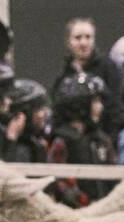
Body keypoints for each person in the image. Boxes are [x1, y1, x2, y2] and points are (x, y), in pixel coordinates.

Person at [48, 73, 115, 207]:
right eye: (95, 101)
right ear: (79, 105)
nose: (100, 107)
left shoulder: (102, 139)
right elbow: (58, 180)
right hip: (75, 214)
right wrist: (82, 201)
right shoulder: (63, 141)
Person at [53, 17, 124, 135]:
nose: (83, 43)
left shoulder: (107, 67)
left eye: (88, 37)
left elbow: (117, 105)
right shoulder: (63, 76)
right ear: (68, 42)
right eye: (78, 38)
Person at [7, 79, 51, 164]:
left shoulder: (37, 144)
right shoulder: (20, 150)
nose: (44, 114)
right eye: (39, 109)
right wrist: (11, 138)